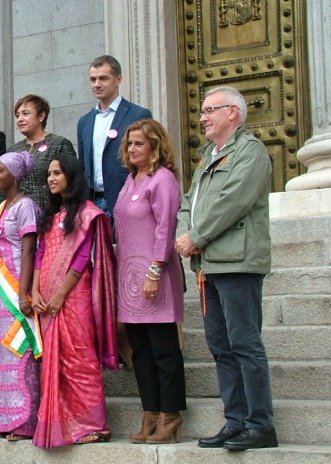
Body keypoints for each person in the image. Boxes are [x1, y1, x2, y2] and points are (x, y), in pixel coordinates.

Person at [176, 86, 278, 450]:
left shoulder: (249, 152)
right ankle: (235, 421)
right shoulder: (208, 155)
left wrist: (196, 236)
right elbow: (191, 201)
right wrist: (183, 232)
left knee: (244, 343)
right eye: (202, 110)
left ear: (232, 112)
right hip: (211, 265)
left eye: (209, 110)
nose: (202, 117)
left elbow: (232, 201)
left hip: (238, 262)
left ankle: (260, 424)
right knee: (221, 345)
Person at [31, 154, 118, 448]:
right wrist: (36, 292)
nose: (51, 179)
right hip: (46, 300)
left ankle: (96, 424)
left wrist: (59, 294)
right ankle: (66, 423)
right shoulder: (52, 216)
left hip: (74, 295)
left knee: (80, 359)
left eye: (57, 173)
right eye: (49, 175)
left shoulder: (87, 214)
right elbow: (40, 257)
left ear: (71, 176)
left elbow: (82, 258)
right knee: (54, 362)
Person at [114, 120, 186, 444]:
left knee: (163, 349)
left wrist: (154, 272)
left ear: (155, 146)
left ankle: (171, 416)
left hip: (153, 276)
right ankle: (151, 413)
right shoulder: (130, 180)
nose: (132, 150)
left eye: (139, 144)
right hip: (128, 279)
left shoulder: (163, 179)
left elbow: (165, 230)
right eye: (129, 144)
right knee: (139, 350)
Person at [0, 151, 41, 442]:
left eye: (1, 171)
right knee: (3, 355)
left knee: (21, 353)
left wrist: (25, 292)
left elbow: (30, 250)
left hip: (16, 288)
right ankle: (7, 419)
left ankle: (26, 420)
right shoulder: (1, 208)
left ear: (15, 174)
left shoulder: (26, 206)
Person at [77, 55, 152, 217]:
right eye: (93, 79)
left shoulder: (138, 115)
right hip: (92, 204)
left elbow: (148, 160)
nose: (97, 84)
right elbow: (82, 166)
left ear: (118, 79)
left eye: (103, 78)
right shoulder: (84, 122)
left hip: (127, 200)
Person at [7, 95, 76, 210]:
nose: (20, 119)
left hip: (50, 214)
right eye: (17, 115)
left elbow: (71, 182)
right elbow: (6, 186)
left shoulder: (58, 144)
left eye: (25, 113)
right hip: (18, 216)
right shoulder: (13, 150)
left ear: (41, 116)